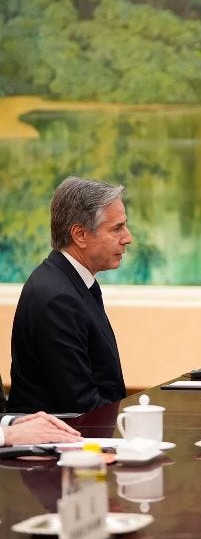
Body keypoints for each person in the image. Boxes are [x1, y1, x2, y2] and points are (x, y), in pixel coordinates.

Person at [7, 176, 132, 413]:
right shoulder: (57, 298)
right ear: (80, 235)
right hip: (60, 443)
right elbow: (80, 403)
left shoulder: (72, 282)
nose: (128, 238)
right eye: (116, 228)